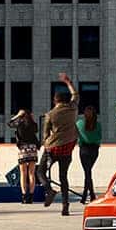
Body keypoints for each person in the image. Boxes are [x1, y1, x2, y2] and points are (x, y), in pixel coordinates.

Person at [38, 73, 79, 216]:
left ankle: (49, 190)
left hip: (53, 147)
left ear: (55, 100)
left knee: (40, 171)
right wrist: (68, 82)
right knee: (63, 177)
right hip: (67, 147)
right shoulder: (72, 108)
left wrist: (45, 144)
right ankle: (65, 206)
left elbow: (45, 133)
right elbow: (75, 94)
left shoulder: (50, 114)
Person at [7, 109, 40, 203]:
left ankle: (24, 196)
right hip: (33, 149)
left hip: (23, 149)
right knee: (32, 173)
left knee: (23, 174)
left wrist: (17, 115)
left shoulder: (19, 124)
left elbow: (9, 123)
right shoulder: (33, 124)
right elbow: (35, 130)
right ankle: (31, 197)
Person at [76, 105, 101, 204]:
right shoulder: (98, 125)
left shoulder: (79, 123)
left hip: (84, 149)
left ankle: (88, 195)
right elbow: (99, 137)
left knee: (87, 172)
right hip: (94, 149)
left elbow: (77, 137)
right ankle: (88, 194)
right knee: (88, 172)